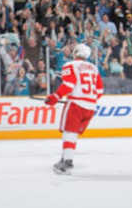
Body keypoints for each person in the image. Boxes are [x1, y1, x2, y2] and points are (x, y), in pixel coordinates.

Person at [45, 44, 104, 175]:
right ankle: (65, 157)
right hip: (90, 107)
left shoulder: (70, 65)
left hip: (76, 104)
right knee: (73, 134)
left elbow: (68, 85)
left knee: (69, 133)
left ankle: (67, 163)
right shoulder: (94, 68)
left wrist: (55, 97)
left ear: (75, 52)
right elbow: (100, 91)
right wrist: (87, 98)